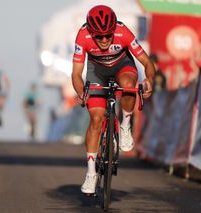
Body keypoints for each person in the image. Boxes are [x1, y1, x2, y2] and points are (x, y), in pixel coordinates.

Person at [71, 5, 155, 195]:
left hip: (122, 65)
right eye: (98, 36)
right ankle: (91, 173)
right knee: (96, 119)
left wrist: (149, 80)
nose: (104, 40)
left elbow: (147, 63)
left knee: (128, 84)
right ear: (91, 32)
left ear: (113, 31)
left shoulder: (123, 31)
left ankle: (125, 125)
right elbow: (76, 73)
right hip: (96, 71)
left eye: (108, 35)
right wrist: (81, 92)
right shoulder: (83, 35)